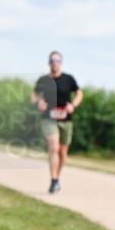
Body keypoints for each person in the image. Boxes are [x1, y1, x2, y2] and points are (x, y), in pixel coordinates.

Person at [32, 51, 82, 193]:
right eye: (53, 60)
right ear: (49, 62)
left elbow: (79, 93)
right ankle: (53, 180)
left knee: (63, 152)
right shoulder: (43, 80)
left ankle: (57, 178)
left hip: (65, 119)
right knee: (54, 147)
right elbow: (34, 95)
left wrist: (73, 105)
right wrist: (39, 102)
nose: (55, 62)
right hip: (49, 118)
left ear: (61, 62)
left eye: (58, 60)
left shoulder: (68, 79)